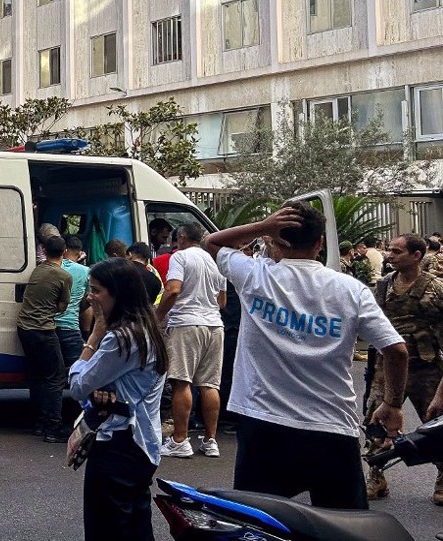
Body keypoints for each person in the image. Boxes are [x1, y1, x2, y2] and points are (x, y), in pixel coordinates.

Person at [204, 201, 409, 510]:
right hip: (331, 430)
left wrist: (263, 226)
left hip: (264, 428)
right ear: (320, 243)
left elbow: (212, 242)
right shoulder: (351, 290)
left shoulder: (255, 276)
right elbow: (396, 350)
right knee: (344, 526)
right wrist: (392, 404)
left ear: (274, 242)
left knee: (260, 523)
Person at [69, 258, 168, 541]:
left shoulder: (121, 338)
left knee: (109, 529)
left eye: (97, 290)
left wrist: (94, 336)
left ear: (119, 293)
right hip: (141, 444)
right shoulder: (146, 330)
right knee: (134, 526)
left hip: (119, 446)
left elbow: (77, 385)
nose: (90, 297)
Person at [363, 234, 443, 505]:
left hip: (426, 367)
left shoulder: (435, 287)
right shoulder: (384, 286)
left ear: (416, 255)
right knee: (375, 421)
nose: (389, 255)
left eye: (397, 251)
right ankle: (376, 474)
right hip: (387, 368)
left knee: (435, 423)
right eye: (389, 250)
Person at [156, 223, 226, 459]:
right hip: (214, 325)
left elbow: (173, 289)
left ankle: (180, 440)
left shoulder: (181, 257)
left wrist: (157, 316)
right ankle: (210, 440)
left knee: (181, 381)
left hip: (186, 323)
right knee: (209, 384)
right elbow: (222, 302)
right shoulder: (215, 261)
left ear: (182, 237)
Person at [17, 235, 73, 442]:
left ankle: (40, 423)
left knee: (37, 377)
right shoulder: (64, 276)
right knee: (55, 377)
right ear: (65, 251)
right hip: (43, 330)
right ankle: (53, 427)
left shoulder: (36, 269)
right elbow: (62, 307)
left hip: (24, 328)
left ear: (44, 251)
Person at [55, 235, 89, 368]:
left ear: (64, 250)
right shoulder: (86, 272)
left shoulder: (49, 267)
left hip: (47, 327)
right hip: (70, 327)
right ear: (80, 253)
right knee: (76, 372)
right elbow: (89, 298)